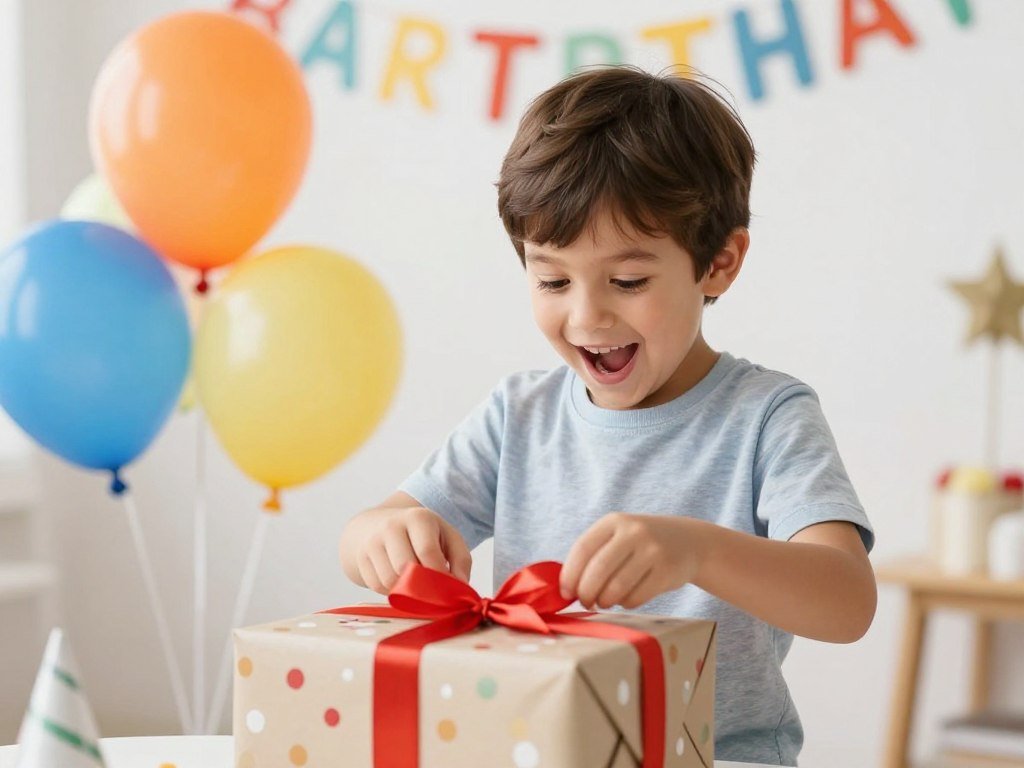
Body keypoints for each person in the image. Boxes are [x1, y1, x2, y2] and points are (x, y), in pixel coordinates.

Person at [339, 65, 876, 766]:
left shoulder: (767, 416)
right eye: (553, 279)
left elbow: (847, 602)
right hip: (534, 749)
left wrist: (697, 550)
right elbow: (360, 538)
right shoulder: (518, 415)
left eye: (628, 281)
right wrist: (386, 535)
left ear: (718, 263)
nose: (587, 315)